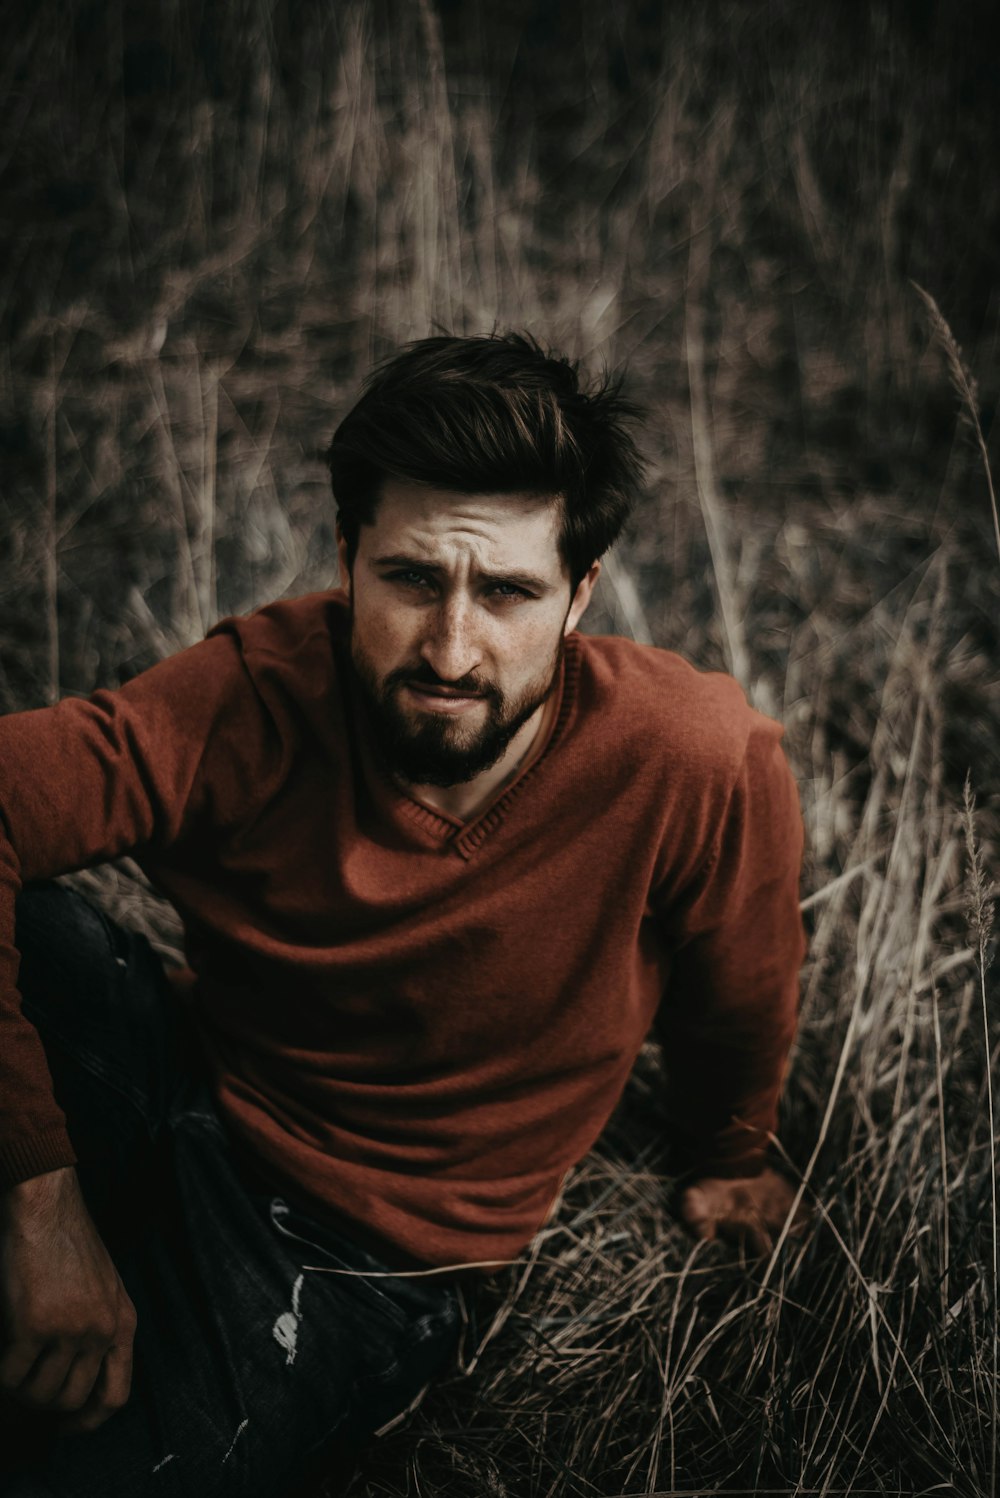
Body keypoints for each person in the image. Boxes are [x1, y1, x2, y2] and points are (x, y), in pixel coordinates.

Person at [0, 333, 807, 1497]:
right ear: (346, 556)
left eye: (509, 592)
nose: (450, 647)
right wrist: (36, 1197)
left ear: (582, 592)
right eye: (413, 578)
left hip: (355, 1253)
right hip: (182, 1068)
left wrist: (734, 1150)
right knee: (44, 937)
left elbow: (741, 990)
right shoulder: (255, 689)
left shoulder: (693, 760)